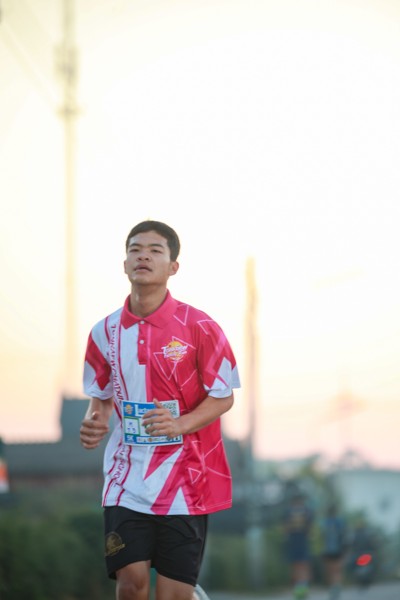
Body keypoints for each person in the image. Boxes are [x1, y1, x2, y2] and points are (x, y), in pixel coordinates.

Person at [80, 220, 240, 600]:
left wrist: (179, 424)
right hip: (126, 476)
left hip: (187, 479)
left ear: (173, 266)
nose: (143, 256)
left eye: (155, 250)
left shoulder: (200, 326)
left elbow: (223, 396)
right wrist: (94, 421)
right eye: (135, 249)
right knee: (131, 583)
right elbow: (100, 396)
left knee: (172, 595)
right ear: (125, 264)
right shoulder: (104, 332)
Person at [284, 491, 314, 599]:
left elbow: (285, 528)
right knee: (304, 565)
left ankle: (298, 590)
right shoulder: (307, 511)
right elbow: (310, 528)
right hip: (303, 541)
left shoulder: (288, 512)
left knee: (295, 566)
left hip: (293, 541)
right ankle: (303, 589)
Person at [320, 503, 347, 600]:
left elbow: (321, 537)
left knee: (330, 571)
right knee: (337, 570)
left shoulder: (324, 523)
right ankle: (337, 587)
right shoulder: (340, 522)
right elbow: (344, 536)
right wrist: (345, 549)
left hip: (327, 550)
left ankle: (332, 588)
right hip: (338, 549)